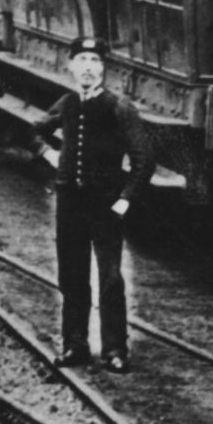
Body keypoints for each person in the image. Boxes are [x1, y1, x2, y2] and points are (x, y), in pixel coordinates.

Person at [34, 35, 155, 371]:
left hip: (105, 206)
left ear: (104, 69)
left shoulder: (119, 107)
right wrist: (50, 154)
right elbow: (35, 130)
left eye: (95, 62)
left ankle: (115, 350)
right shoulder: (68, 104)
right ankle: (75, 345)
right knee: (72, 276)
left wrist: (125, 201)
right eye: (82, 61)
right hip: (69, 204)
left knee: (111, 278)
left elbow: (144, 160)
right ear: (71, 65)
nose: (88, 69)